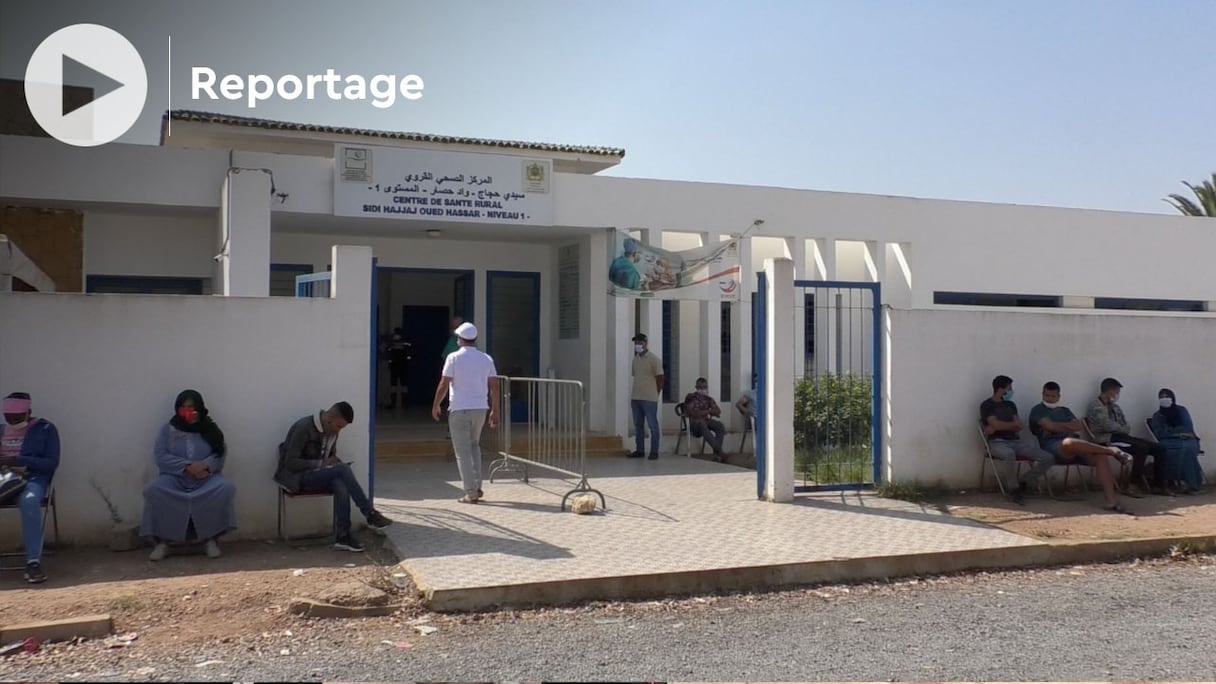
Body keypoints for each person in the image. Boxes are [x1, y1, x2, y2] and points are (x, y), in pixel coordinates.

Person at [275, 401, 393, 551]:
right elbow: (290, 463)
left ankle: (343, 537)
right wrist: (322, 464)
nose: (339, 431)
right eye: (338, 426)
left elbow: (330, 457)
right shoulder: (303, 427)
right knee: (342, 470)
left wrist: (331, 463)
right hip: (297, 478)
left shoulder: (332, 432)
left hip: (317, 476)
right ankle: (369, 513)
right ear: (329, 418)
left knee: (340, 483)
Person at [141, 390, 237, 561]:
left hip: (204, 478)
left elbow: (219, 453)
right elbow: (160, 455)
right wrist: (186, 466)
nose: (188, 410)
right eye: (183, 407)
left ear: (199, 407)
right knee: (153, 490)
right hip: (174, 478)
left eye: (191, 407)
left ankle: (210, 539)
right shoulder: (168, 430)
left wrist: (205, 466)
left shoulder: (210, 429)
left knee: (224, 488)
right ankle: (163, 542)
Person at [1028, 381, 1133, 513]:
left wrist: (1057, 426)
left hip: (1077, 446)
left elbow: (1078, 426)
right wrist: (1063, 426)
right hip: (1053, 447)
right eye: (1046, 395)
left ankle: (1111, 501)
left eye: (1052, 396)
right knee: (1069, 442)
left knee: (1099, 456)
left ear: (1058, 397)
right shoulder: (1037, 410)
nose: (1049, 399)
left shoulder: (1065, 411)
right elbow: (1050, 426)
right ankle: (1112, 451)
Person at [431, 322, 500, 503]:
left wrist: (435, 404)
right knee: (474, 446)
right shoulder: (486, 358)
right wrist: (495, 410)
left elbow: (444, 383)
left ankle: (470, 492)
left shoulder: (453, 358)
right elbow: (494, 386)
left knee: (462, 452)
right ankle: (477, 486)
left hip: (459, 409)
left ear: (460, 339)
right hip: (480, 409)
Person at [0, 392, 59, 584]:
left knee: (30, 501)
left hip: (31, 478)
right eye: (8, 417)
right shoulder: (1, 430)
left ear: (28, 412)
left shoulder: (45, 429)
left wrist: (18, 460)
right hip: (2, 480)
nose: (11, 420)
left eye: (16, 417)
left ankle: (33, 562)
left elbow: (51, 463)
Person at [1086, 378, 1172, 496]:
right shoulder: (1095, 405)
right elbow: (1104, 425)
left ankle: (1159, 485)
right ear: (1109, 391)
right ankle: (1132, 485)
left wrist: (1121, 428)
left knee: (1159, 448)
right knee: (1141, 448)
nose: (1117, 395)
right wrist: (1120, 428)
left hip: (1122, 437)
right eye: (1116, 392)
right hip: (1108, 439)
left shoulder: (1115, 407)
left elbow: (1126, 425)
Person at [979, 375, 1054, 505]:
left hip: (1015, 440)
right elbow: (997, 425)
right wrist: (1008, 425)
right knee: (1009, 454)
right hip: (997, 442)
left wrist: (999, 426)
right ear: (1001, 389)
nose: (1011, 391)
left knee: (1047, 457)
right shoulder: (987, 405)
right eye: (1009, 388)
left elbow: (1019, 425)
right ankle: (1013, 489)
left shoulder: (1010, 404)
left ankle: (1024, 481)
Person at [1150, 388, 1203, 495]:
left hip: (1188, 440)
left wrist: (1171, 432)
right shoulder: (1157, 416)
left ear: (1172, 398)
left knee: (1189, 449)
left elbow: (1188, 428)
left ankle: (1191, 484)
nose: (1164, 399)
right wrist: (1178, 433)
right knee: (1165, 450)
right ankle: (1172, 483)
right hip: (1168, 442)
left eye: (1167, 397)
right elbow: (1159, 433)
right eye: (1161, 397)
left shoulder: (1181, 411)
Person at [628, 332, 664, 460]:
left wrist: (656, 393)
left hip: (649, 398)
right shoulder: (636, 359)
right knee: (638, 425)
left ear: (645, 343)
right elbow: (635, 375)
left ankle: (654, 451)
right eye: (636, 343)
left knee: (652, 425)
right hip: (636, 397)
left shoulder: (654, 359)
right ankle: (640, 450)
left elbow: (660, 378)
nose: (638, 345)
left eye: (640, 342)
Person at [683, 377, 728, 462]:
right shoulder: (691, 398)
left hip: (705, 420)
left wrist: (706, 412)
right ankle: (719, 450)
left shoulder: (708, 399)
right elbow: (694, 413)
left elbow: (718, 411)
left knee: (719, 425)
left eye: (704, 387)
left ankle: (716, 454)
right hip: (694, 423)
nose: (702, 389)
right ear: (696, 387)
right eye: (700, 387)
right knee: (701, 423)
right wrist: (709, 411)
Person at [385, 327, 413, 409]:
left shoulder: (393, 342)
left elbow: (388, 352)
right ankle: (404, 403)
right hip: (402, 366)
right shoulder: (404, 341)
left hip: (396, 366)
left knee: (395, 385)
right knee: (402, 385)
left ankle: (394, 403)